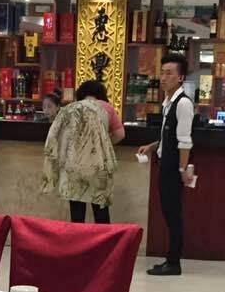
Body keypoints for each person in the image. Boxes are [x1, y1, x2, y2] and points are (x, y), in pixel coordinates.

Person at [136, 54, 194, 276]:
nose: (163, 77)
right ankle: (170, 259)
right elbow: (167, 136)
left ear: (180, 77)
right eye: (162, 72)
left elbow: (185, 141)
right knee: (169, 213)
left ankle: (174, 262)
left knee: (173, 215)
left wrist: (182, 170)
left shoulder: (183, 104)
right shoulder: (167, 104)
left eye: (169, 73)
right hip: (165, 165)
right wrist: (152, 147)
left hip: (173, 169)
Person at [42, 79, 123, 224]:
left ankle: (78, 239)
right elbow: (120, 135)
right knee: (101, 212)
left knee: (77, 213)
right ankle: (104, 238)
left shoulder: (70, 109)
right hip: (98, 166)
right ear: (101, 94)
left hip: (74, 165)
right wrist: (103, 145)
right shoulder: (107, 108)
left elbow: (56, 137)